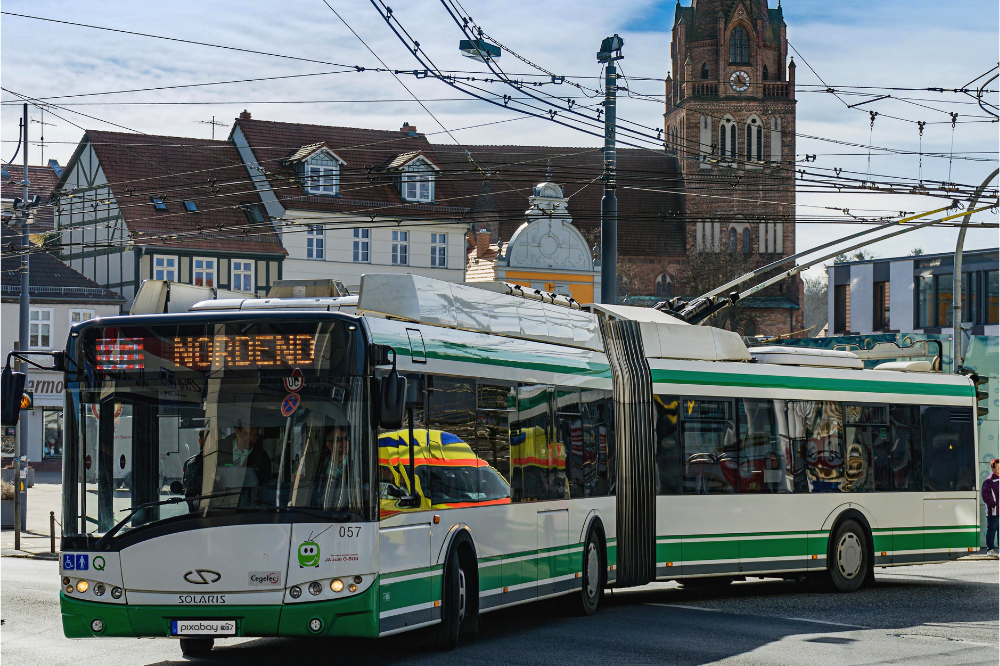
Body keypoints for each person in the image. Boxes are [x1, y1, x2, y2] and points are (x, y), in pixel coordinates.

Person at [295, 425, 351, 508]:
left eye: (346, 438)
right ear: (329, 445)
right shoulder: (318, 465)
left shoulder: (357, 464)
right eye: (339, 440)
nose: (344, 443)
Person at [982, 458, 999, 556]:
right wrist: (993, 505)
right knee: (992, 529)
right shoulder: (988, 481)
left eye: (999, 467)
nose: (998, 469)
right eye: (996, 467)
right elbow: (986, 495)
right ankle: (990, 550)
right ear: (992, 468)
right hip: (993, 511)